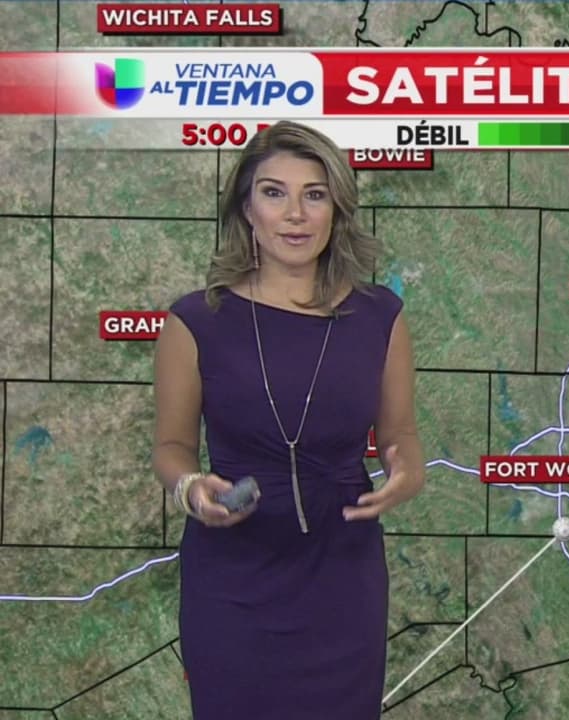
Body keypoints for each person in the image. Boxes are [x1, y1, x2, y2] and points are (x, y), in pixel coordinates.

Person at [151, 120, 425, 719]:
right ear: (246, 208)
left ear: (336, 209)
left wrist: (407, 472)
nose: (295, 214)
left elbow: (399, 434)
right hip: (232, 583)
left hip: (343, 579)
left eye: (314, 194)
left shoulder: (380, 316)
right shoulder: (196, 321)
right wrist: (191, 488)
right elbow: (171, 445)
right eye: (274, 193)